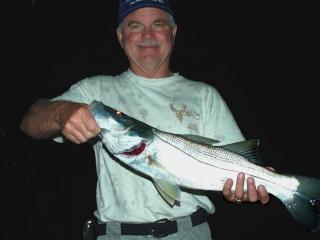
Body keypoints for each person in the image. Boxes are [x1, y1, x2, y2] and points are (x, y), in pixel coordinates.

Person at [22, 0, 271, 239]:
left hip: (190, 234)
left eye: (159, 24)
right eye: (135, 26)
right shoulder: (96, 91)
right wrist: (62, 112)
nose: (148, 35)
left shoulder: (205, 95)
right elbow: (30, 121)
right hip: (116, 236)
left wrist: (247, 187)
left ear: (173, 32)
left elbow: (238, 164)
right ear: (120, 36)